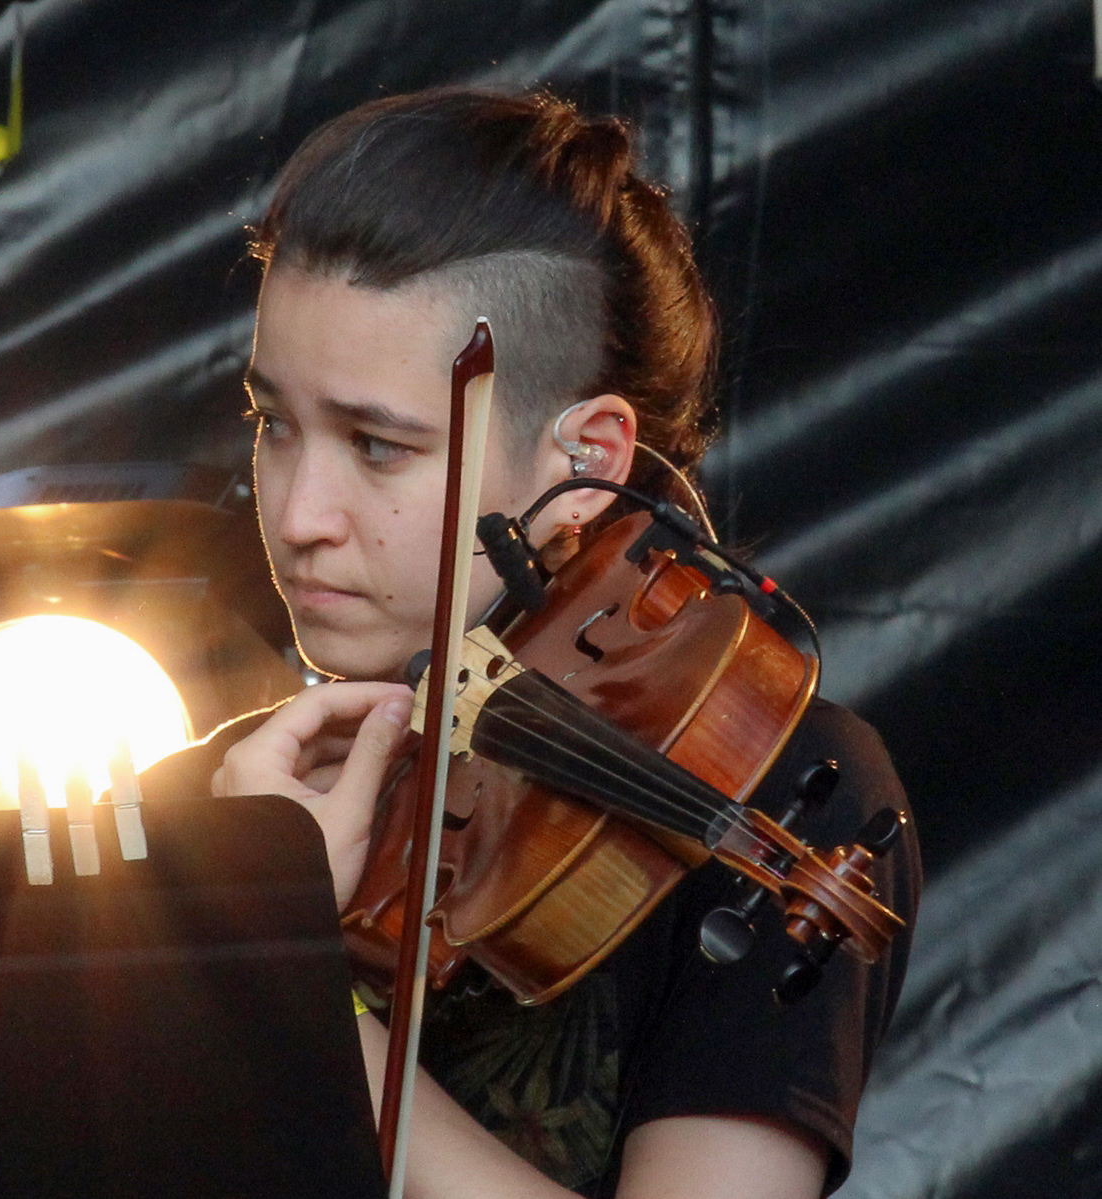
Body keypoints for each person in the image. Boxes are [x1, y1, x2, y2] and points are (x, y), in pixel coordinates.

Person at [146, 88, 919, 1199]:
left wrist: (290, 980)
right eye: (276, 426)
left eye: (376, 444)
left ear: (590, 461)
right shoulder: (205, 804)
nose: (301, 511)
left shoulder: (796, 791)